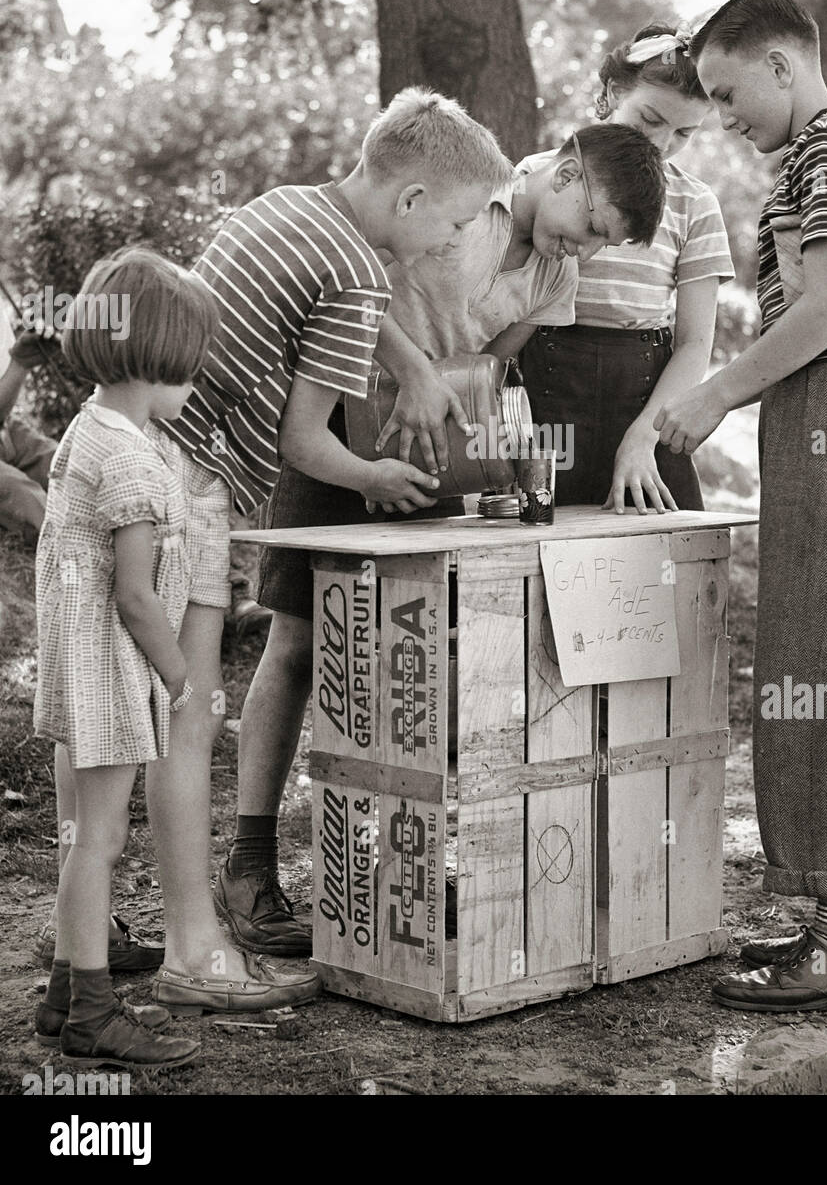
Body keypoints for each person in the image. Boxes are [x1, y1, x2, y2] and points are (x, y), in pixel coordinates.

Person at [219, 123, 668, 954]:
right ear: (568, 174)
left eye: (607, 244)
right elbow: (360, 277)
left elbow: (493, 368)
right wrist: (416, 372)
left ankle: (397, 873)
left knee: (410, 659)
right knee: (297, 642)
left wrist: (485, 457)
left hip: (428, 471)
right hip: (338, 434)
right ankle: (249, 861)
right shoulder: (461, 201)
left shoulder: (555, 276)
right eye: (595, 223)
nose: (591, 249)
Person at [150, 88, 513, 997]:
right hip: (182, 486)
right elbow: (305, 444)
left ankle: (111, 933)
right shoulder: (359, 273)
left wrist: (408, 377)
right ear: (412, 200)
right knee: (185, 712)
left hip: (132, 458)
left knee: (134, 709)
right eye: (457, 222)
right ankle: (198, 949)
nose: (452, 244)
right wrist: (375, 479)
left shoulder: (285, 203)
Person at [655, 0, 827, 1011]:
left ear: (780, 63)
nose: (724, 118)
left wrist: (717, 389)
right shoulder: (823, 157)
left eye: (728, 95)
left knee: (817, 665)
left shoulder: (825, 154)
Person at [32, 249, 223, 1067]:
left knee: (83, 830)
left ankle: (64, 999)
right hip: (111, 671)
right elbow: (137, 597)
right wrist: (181, 680)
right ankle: (93, 1018)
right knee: (99, 840)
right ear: (162, 364)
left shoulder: (86, 429)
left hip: (73, 664)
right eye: (191, 371)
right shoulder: (138, 460)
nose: (194, 389)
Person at [513, 22, 735, 514]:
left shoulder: (695, 203)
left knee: (658, 561)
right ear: (614, 92)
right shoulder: (539, 175)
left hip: (643, 400)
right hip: (546, 390)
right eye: (650, 118)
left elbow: (696, 343)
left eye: (684, 132)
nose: (662, 142)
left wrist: (643, 440)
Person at [0, 304, 59, 547]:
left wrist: (20, 363)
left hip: (6, 430)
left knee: (66, 463)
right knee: (27, 498)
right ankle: (70, 555)